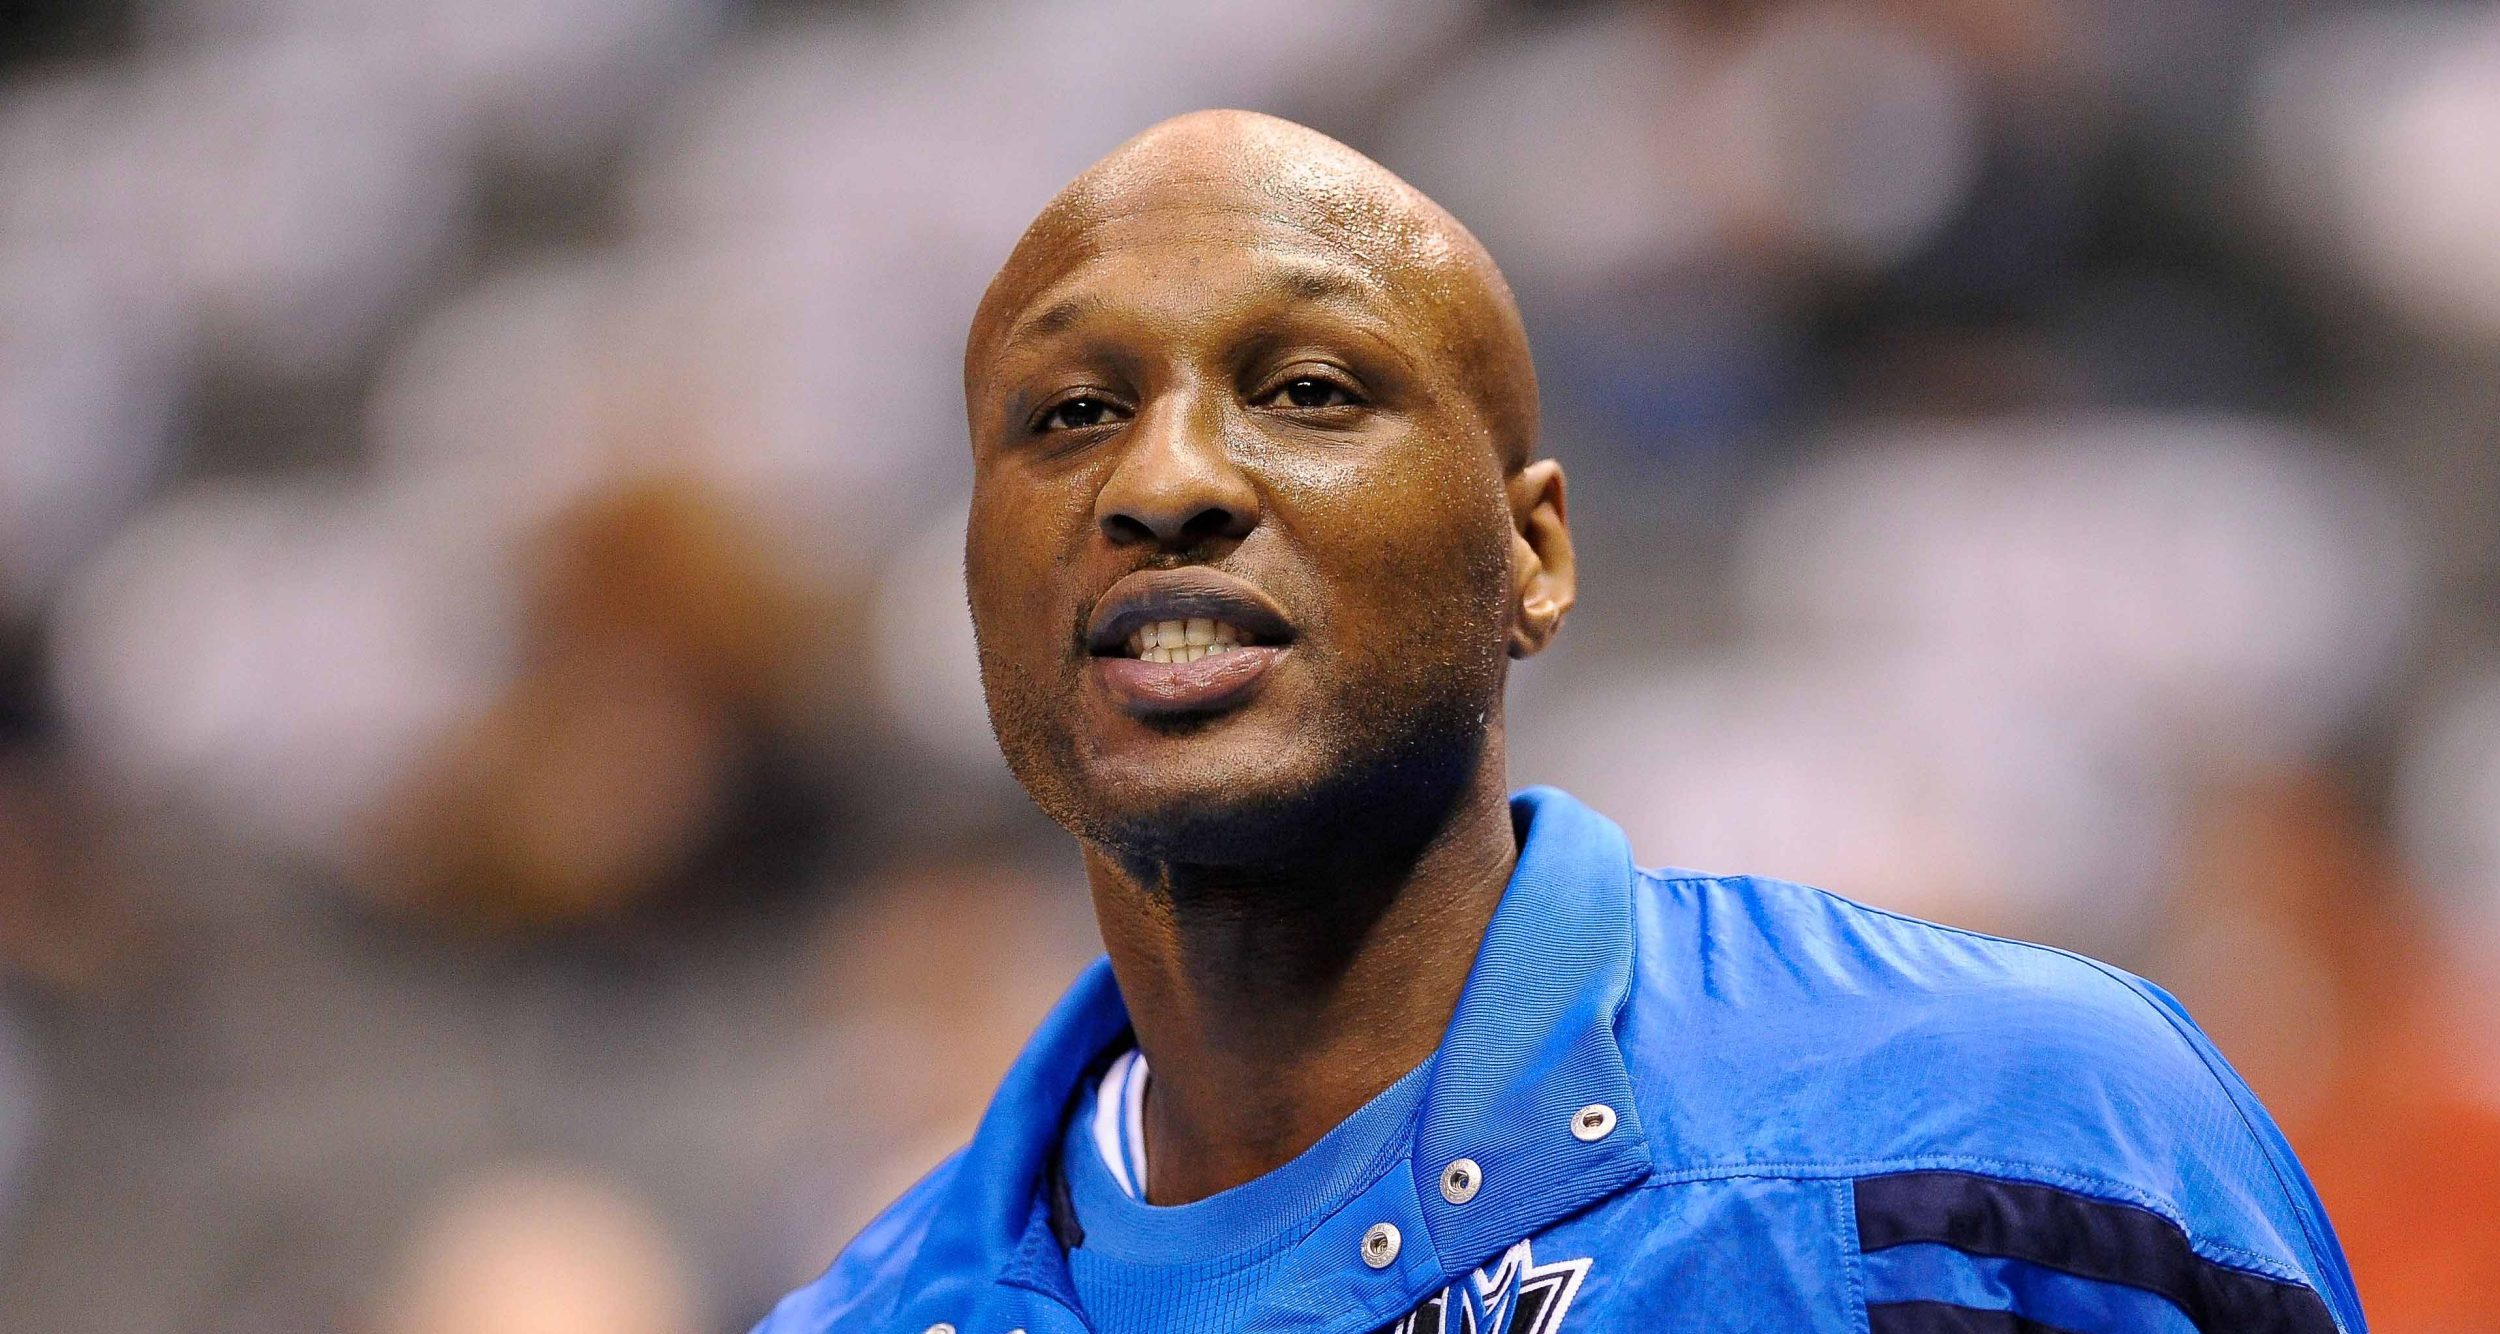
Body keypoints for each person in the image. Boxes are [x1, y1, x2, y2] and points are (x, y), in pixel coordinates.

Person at [756, 111, 2364, 1334]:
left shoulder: (2020, 1143)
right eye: (1072, 414)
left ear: (1532, 555)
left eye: (1310, 388)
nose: (1163, 479)